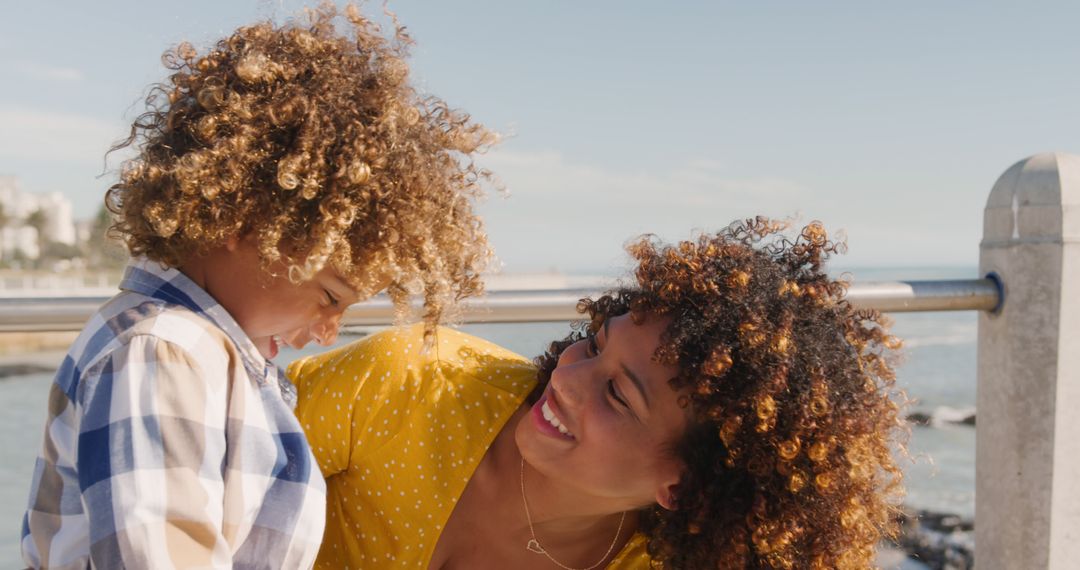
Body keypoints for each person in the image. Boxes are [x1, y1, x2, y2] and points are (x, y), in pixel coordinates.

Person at [21, 5, 494, 568]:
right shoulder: (163, 352)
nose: (326, 333)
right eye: (330, 297)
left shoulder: (198, 354)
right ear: (246, 225)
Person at [289, 218, 906, 569]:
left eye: (618, 395)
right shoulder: (411, 381)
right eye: (594, 344)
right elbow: (199, 466)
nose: (566, 376)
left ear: (682, 487)